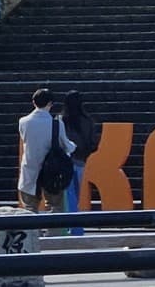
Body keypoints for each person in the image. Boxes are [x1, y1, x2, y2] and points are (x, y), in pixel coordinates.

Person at [17, 87, 70, 213]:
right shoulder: (56, 124)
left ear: (33, 102)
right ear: (50, 103)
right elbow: (66, 145)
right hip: (52, 171)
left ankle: (33, 232)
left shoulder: (23, 122)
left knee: (29, 207)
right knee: (55, 206)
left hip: (30, 168)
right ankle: (54, 232)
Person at [61, 90, 99, 227]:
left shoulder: (61, 120)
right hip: (81, 160)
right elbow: (93, 143)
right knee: (76, 195)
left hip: (64, 162)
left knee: (65, 195)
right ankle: (75, 225)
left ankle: (67, 223)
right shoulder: (87, 121)